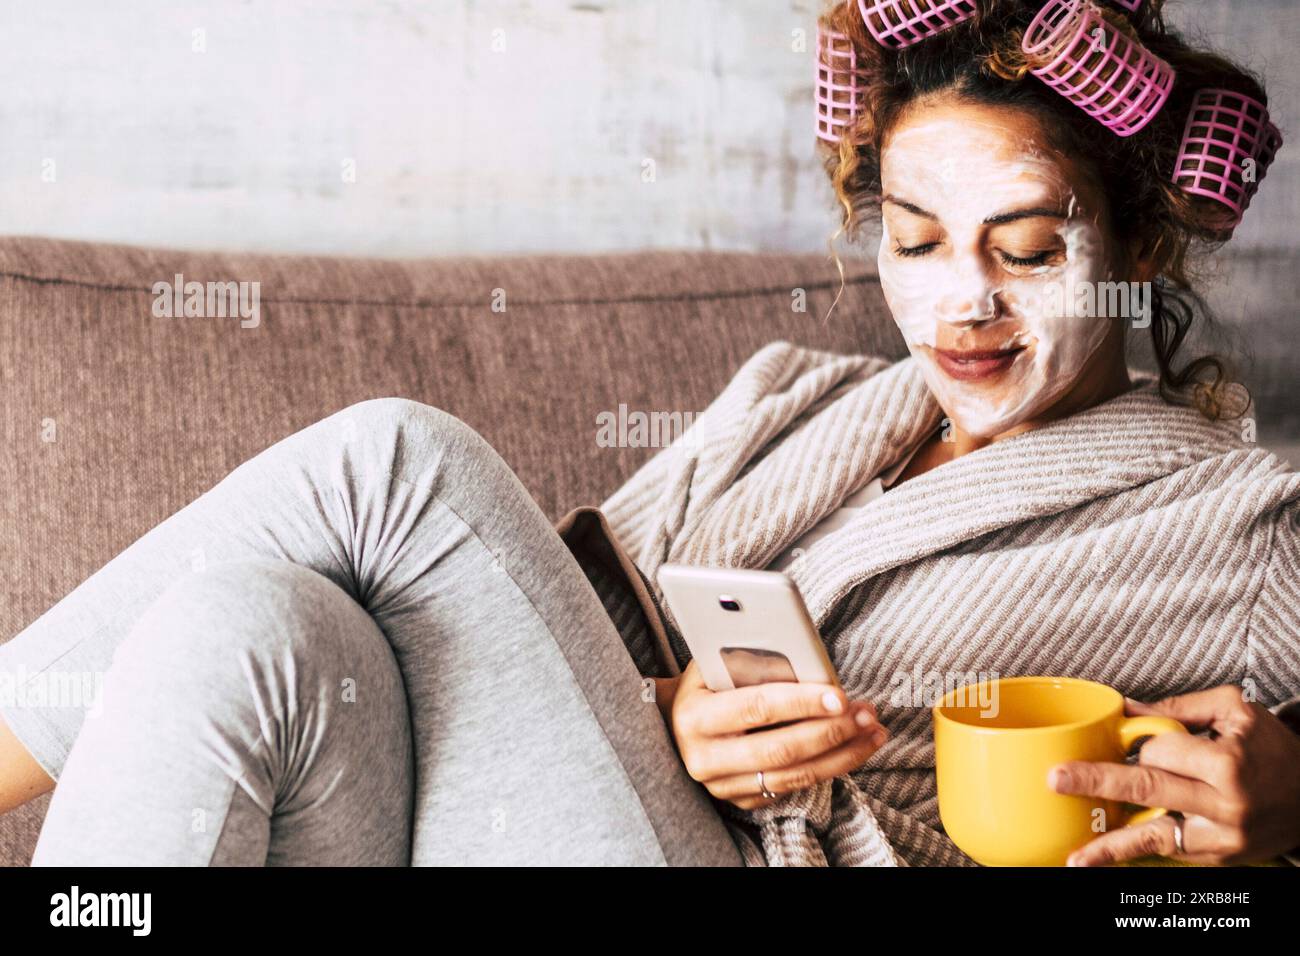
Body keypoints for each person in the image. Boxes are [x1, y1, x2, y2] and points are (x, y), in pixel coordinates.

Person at [2, 0, 1298, 866]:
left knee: (397, 463)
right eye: (914, 241)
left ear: (1136, 247)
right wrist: (668, 718)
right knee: (254, 622)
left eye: (1023, 248)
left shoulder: (1245, 529)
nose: (961, 296)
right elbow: (517, 644)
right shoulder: (796, 402)